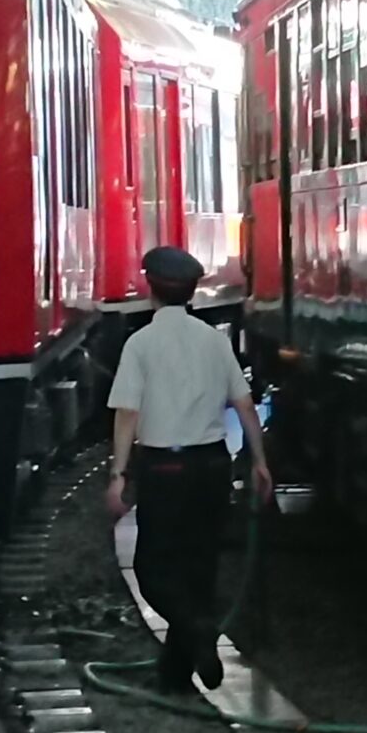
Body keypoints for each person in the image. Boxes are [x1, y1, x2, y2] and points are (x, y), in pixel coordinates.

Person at [104, 245, 274, 693]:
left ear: (149, 287)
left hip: (164, 468)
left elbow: (127, 412)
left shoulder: (139, 343)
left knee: (153, 569)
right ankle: (176, 674)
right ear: (194, 291)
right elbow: (244, 404)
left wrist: (118, 474)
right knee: (199, 568)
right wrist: (259, 462)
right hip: (211, 466)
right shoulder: (215, 341)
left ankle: (198, 633)